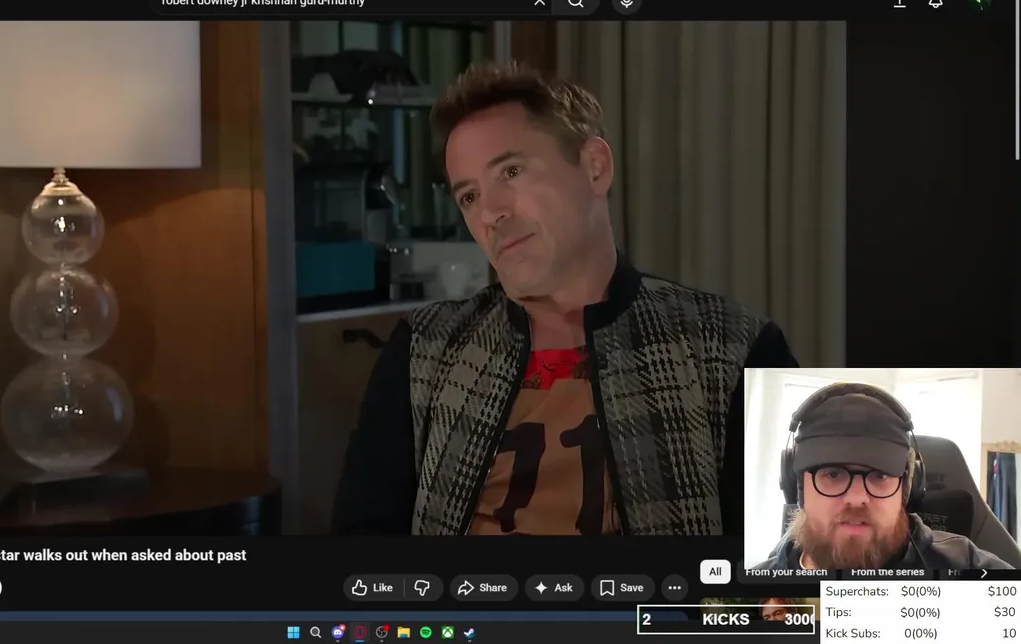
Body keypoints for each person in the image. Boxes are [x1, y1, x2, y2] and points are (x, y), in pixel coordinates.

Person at [331, 61, 798, 536]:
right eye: (469, 197)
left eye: (511, 171)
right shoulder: (423, 350)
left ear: (595, 168)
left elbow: (794, 566)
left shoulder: (734, 348)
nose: (491, 212)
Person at [750, 383, 1012, 569]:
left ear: (908, 488)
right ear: (797, 485)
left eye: (880, 475)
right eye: (832, 473)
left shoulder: (968, 567)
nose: (856, 498)